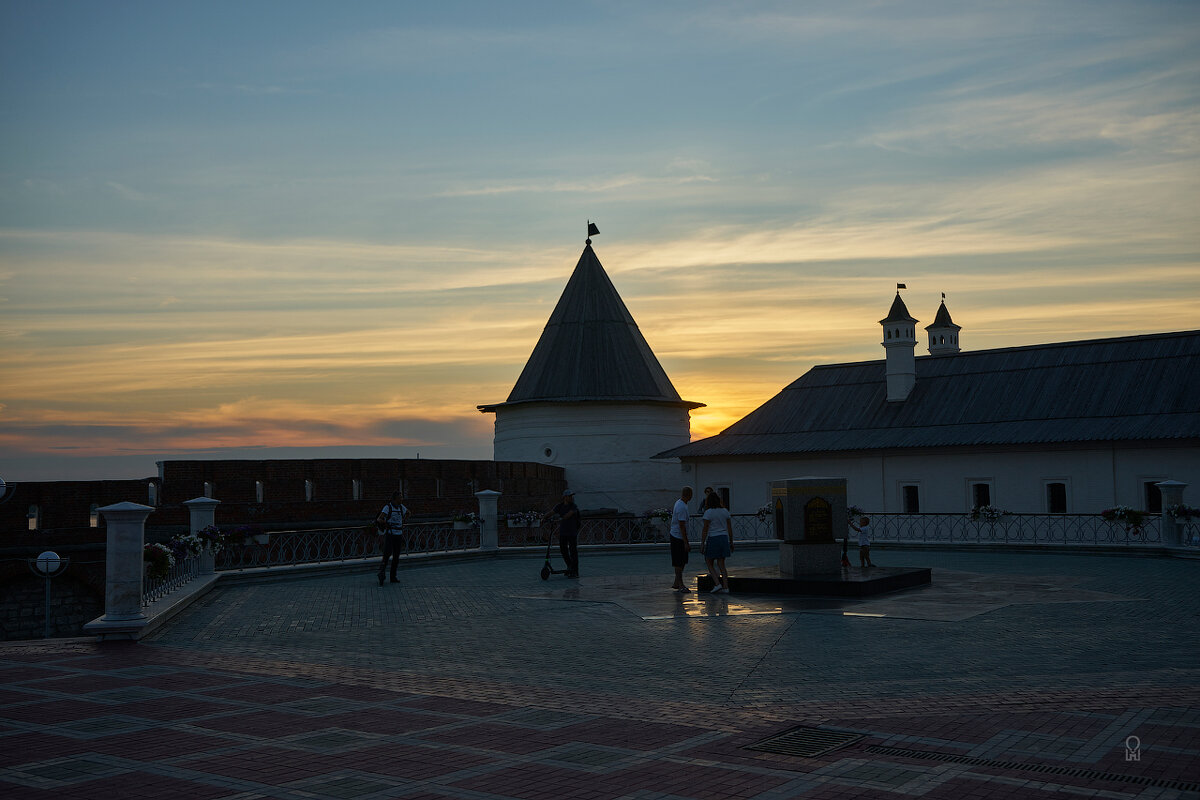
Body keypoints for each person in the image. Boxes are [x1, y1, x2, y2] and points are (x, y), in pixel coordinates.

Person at [701, 492, 733, 593]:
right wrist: (731, 541)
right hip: (724, 538)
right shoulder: (725, 511)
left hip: (713, 538)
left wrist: (702, 543)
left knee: (709, 561)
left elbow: (705, 529)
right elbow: (729, 528)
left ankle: (717, 583)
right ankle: (726, 587)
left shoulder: (708, 512)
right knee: (721, 563)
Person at [375, 490, 409, 586]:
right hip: (390, 534)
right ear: (396, 498)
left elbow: (409, 513)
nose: (402, 499)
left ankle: (393, 576)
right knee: (387, 554)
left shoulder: (401, 507)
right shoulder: (388, 507)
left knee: (396, 556)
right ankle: (381, 573)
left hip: (399, 534)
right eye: (400, 497)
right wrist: (386, 523)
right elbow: (379, 519)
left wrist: (403, 521)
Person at [551, 489, 581, 578]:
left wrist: (560, 518)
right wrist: (543, 518)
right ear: (565, 497)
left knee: (573, 552)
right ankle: (570, 567)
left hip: (572, 532)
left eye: (572, 496)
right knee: (563, 550)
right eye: (570, 496)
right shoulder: (559, 506)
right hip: (563, 532)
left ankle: (575, 571)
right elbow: (552, 512)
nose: (572, 498)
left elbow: (569, 514)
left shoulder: (573, 506)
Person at [669, 487, 693, 592]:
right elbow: (682, 526)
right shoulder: (682, 507)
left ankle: (676, 582)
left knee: (682, 561)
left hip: (677, 536)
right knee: (679, 562)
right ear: (689, 495)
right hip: (678, 537)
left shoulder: (679, 503)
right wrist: (686, 542)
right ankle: (681, 584)